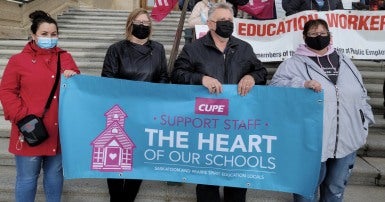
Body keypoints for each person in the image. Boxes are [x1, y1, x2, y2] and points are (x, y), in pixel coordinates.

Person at [269, 19, 375, 201]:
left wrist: (363, 122)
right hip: (311, 140)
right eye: (313, 34)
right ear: (304, 37)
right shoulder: (293, 64)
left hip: (346, 138)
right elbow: (276, 88)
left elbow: (361, 92)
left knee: (335, 189)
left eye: (322, 33)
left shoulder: (345, 60)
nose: (319, 37)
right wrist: (302, 84)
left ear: (330, 36)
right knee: (306, 190)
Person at [171, 3, 267, 202]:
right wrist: (201, 79)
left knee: (237, 182)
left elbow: (261, 72)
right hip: (207, 125)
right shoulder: (193, 49)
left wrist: (252, 77)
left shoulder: (244, 47)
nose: (227, 24)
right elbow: (177, 74)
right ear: (211, 24)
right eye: (222, 21)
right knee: (207, 181)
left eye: (230, 21)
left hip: (237, 124)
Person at [0, 10, 79, 202]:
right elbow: (7, 91)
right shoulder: (18, 61)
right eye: (44, 34)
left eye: (53, 34)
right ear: (34, 35)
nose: (49, 38)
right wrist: (22, 117)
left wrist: (74, 77)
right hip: (29, 129)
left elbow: (77, 88)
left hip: (58, 130)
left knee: (54, 177)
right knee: (27, 179)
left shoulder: (65, 57)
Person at [101, 8, 169, 202]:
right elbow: (108, 80)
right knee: (115, 157)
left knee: (139, 157)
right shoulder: (116, 49)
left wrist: (153, 95)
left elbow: (163, 76)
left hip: (147, 113)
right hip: (120, 113)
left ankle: (129, 198)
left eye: (146, 24)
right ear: (130, 24)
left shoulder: (158, 49)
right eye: (139, 23)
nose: (142, 26)